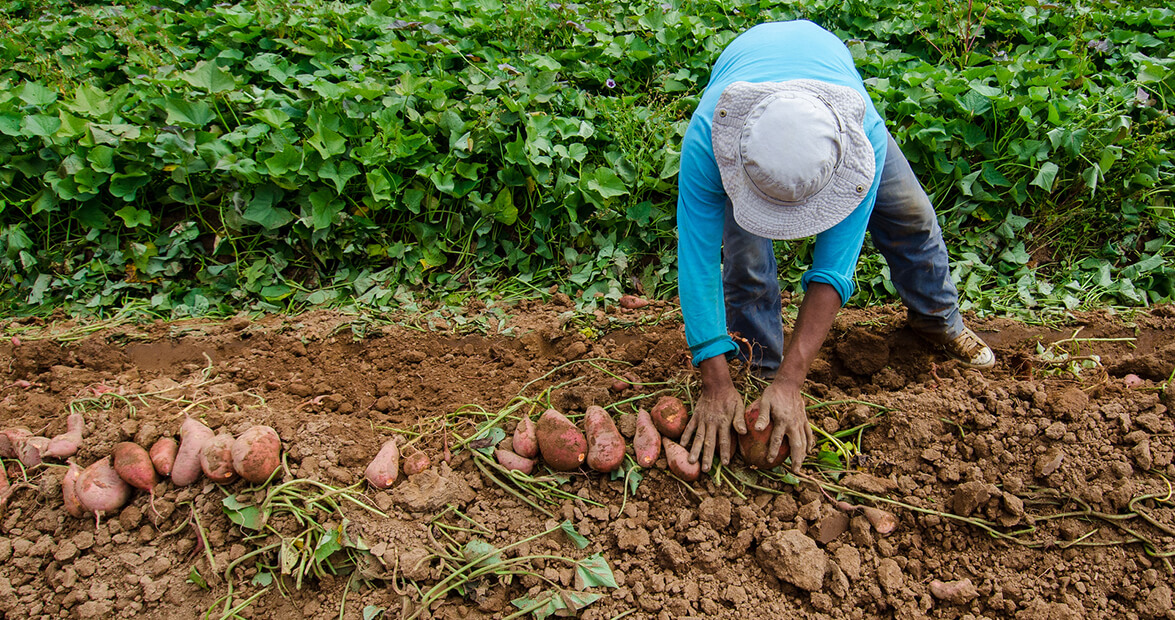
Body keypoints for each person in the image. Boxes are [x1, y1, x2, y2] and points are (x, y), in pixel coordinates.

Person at [674, 20, 995, 475]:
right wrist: (714, 380)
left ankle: (937, 321)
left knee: (913, 218)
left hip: (836, 105)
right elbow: (698, 261)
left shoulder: (862, 136)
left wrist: (796, 379)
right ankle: (758, 362)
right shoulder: (711, 139)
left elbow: (833, 267)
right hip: (746, 117)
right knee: (745, 258)